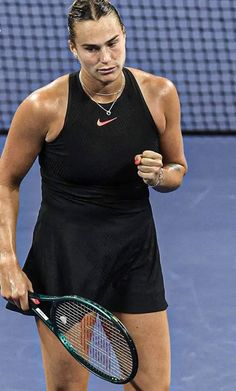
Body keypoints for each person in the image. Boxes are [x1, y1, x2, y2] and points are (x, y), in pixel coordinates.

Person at [0, 1, 188, 390]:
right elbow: (5, 183)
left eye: (113, 43)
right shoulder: (42, 107)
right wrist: (7, 262)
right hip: (65, 259)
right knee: (68, 388)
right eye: (91, 49)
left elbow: (177, 170)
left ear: (125, 37)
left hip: (134, 255)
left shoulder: (159, 94)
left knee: (151, 387)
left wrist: (159, 176)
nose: (106, 58)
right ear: (72, 48)